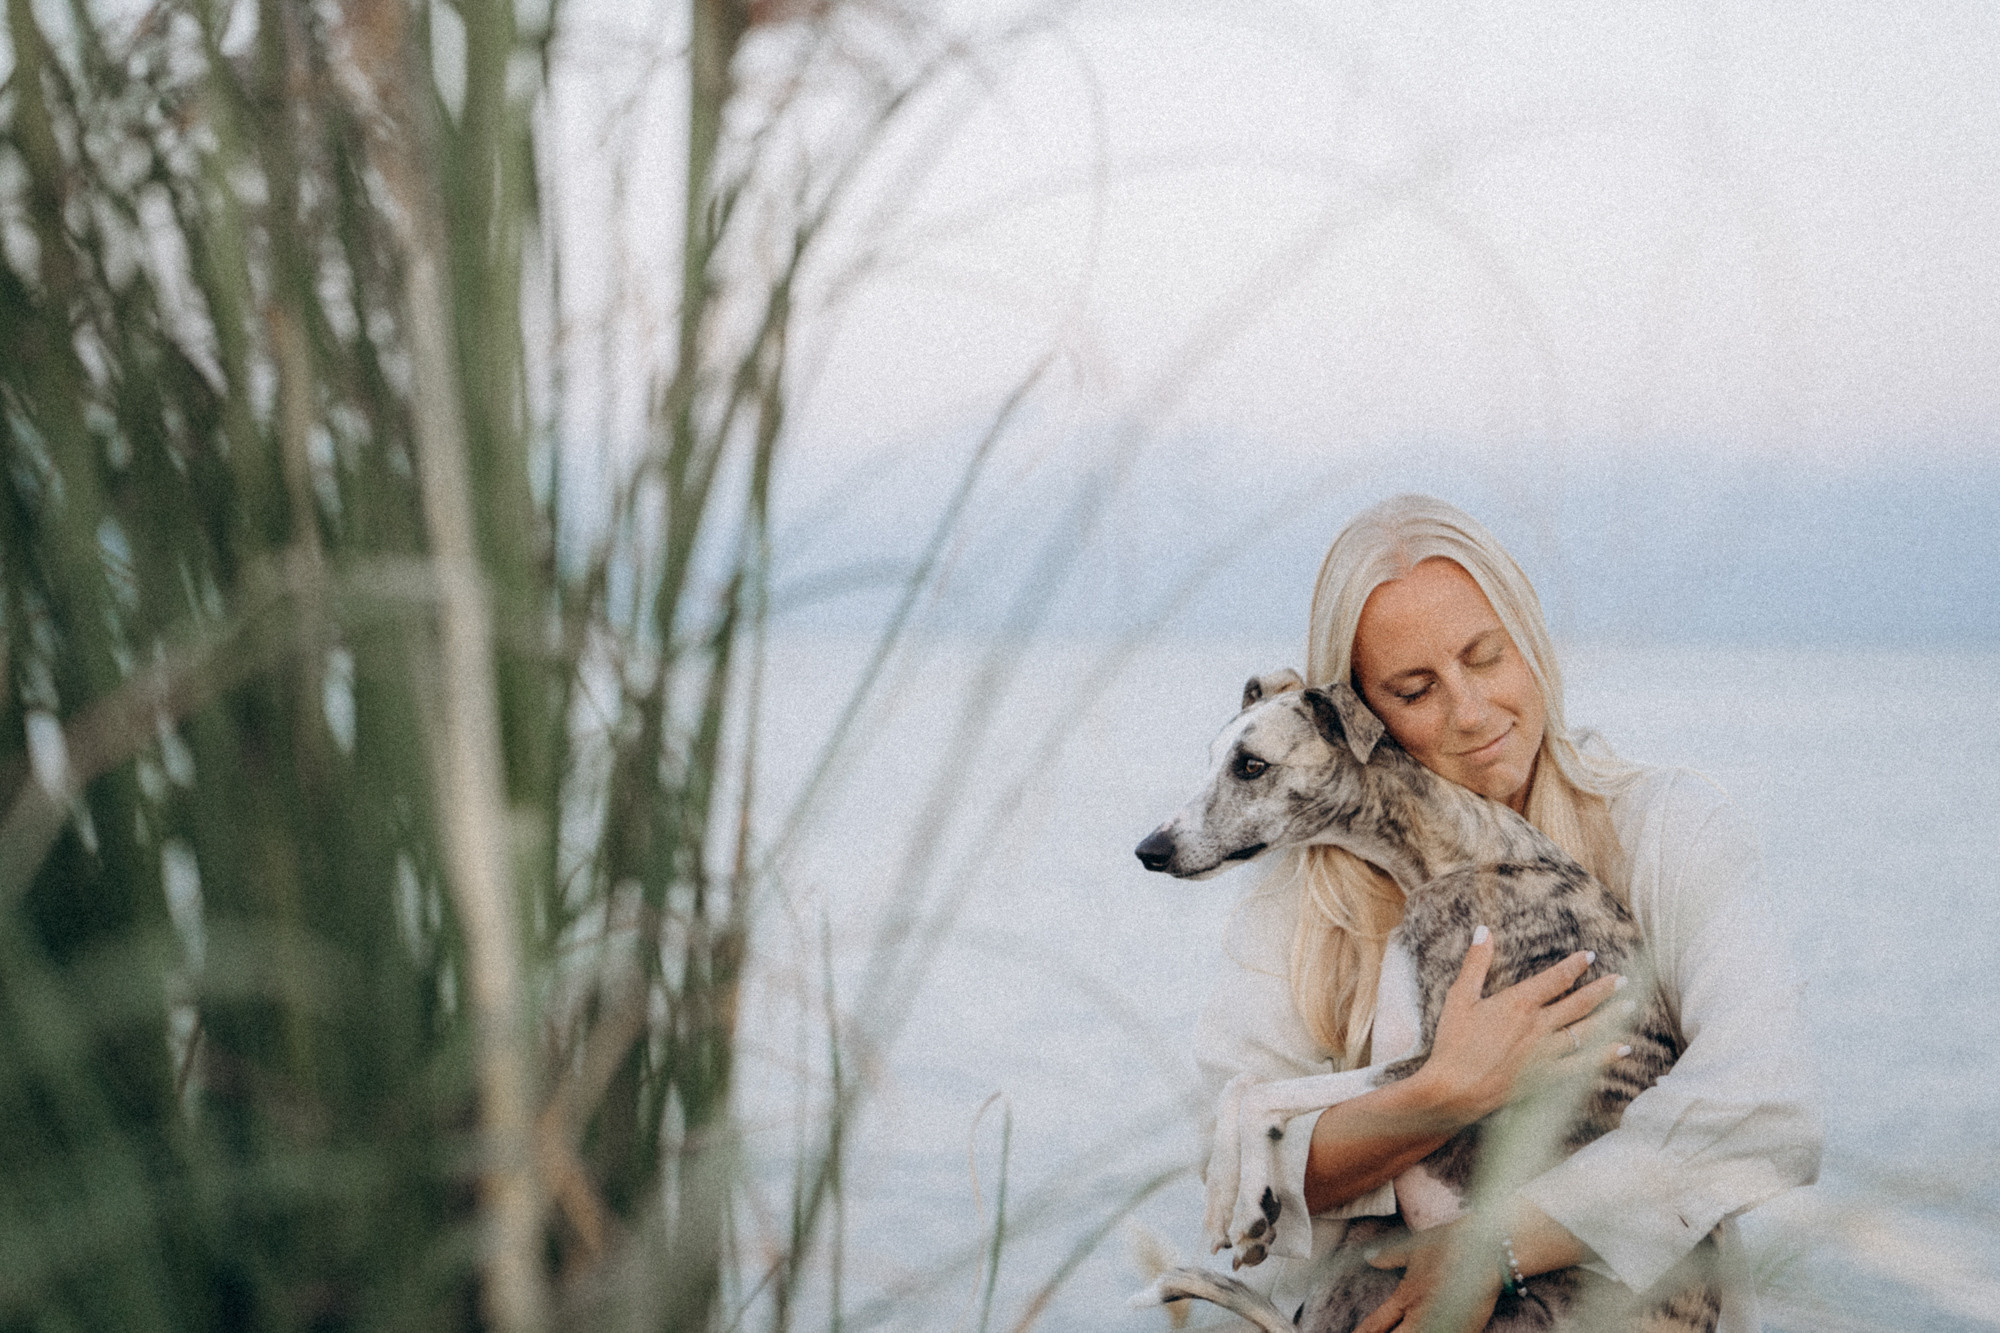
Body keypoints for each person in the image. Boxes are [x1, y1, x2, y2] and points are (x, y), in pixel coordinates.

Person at [1193, 494, 1822, 1332]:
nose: (1471, 710)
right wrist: (1445, 1092)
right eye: (1415, 690)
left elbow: (1767, 1102)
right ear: (1360, 723)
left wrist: (1496, 1244)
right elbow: (1231, 1172)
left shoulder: (1664, 829)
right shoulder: (1305, 899)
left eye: (1486, 657)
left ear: (1530, 636)